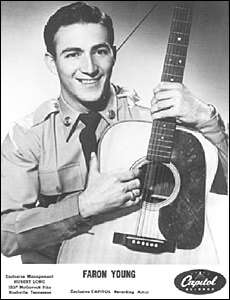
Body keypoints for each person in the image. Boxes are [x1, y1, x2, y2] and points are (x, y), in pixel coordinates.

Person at [1, 1, 228, 264]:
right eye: (73, 54)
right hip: (61, 281)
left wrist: (208, 120)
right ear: (52, 63)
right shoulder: (28, 136)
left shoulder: (153, 123)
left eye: (99, 51)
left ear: (114, 54)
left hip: (139, 271)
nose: (89, 67)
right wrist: (83, 206)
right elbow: (5, 235)